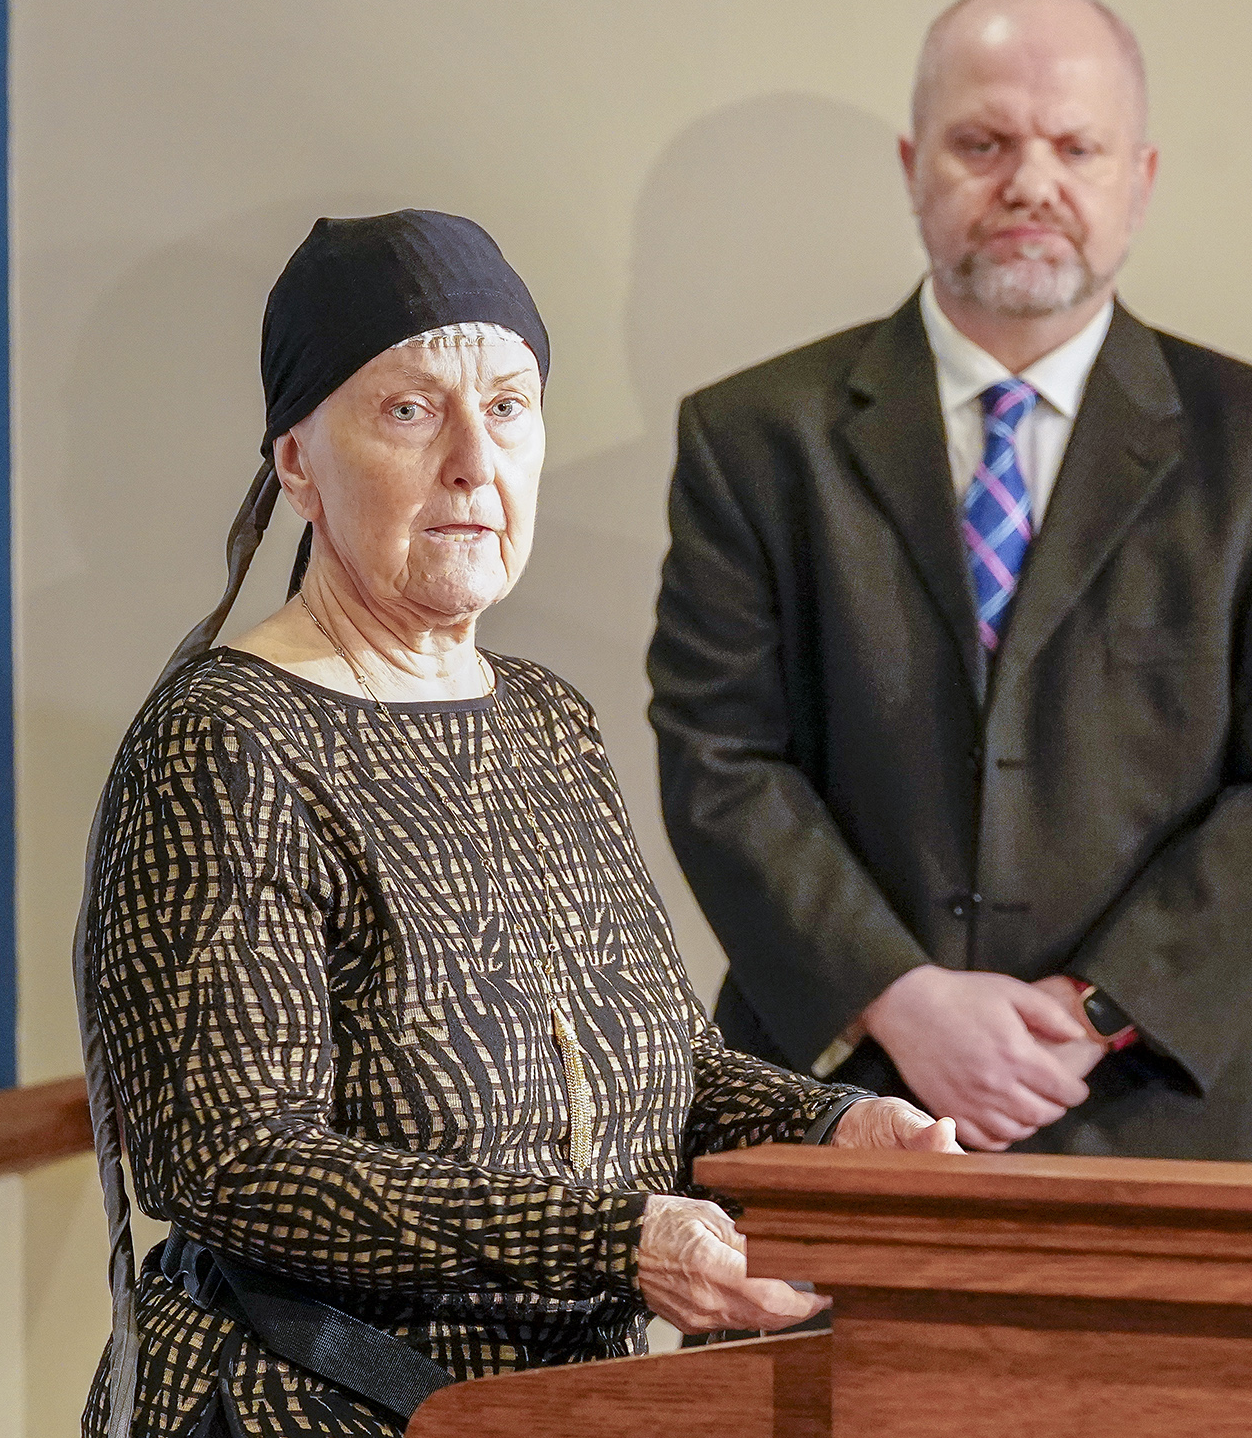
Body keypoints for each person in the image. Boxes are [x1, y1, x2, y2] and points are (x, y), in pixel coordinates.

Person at [73, 210, 956, 1438]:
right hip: (309, 1406)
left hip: (567, 1405)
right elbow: (233, 1163)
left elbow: (669, 1073)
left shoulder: (546, 720)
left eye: (507, 407)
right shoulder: (227, 741)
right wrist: (615, 1238)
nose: (471, 463)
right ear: (294, 463)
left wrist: (840, 1128)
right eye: (407, 410)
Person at [648, 0, 1252, 1163]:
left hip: (1162, 1124)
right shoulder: (753, 439)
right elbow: (719, 754)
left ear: (1137, 178)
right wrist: (903, 998)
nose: (1030, 184)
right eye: (983, 143)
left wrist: (1093, 1012)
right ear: (913, 164)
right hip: (839, 1112)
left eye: (1075, 147)